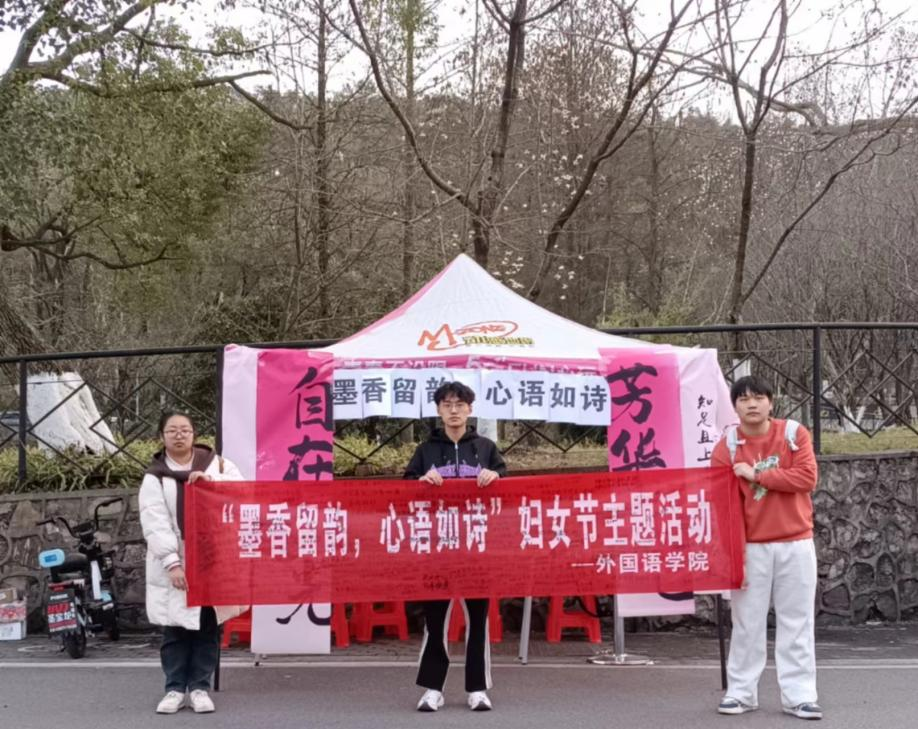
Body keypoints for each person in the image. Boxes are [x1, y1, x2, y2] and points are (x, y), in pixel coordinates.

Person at [711, 376, 822, 721]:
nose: (752, 404)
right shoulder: (727, 447)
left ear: (771, 402)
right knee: (746, 622)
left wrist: (757, 475)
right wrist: (734, 553)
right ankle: (741, 692)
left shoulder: (793, 433)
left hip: (796, 542)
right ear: (735, 406)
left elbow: (807, 478)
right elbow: (723, 506)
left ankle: (800, 696)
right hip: (751, 547)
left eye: (759, 397)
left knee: (797, 621)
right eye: (743, 399)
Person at [404, 381, 507, 713]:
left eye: (459, 404)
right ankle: (433, 688)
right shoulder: (425, 451)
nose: (453, 410)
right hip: (438, 547)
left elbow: (508, 488)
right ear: (438, 410)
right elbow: (404, 490)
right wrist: (420, 482)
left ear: (469, 409)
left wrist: (495, 477)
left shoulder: (486, 448)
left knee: (478, 619)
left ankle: (477, 688)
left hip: (477, 547)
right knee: (436, 620)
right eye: (447, 404)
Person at [139, 412, 246, 715]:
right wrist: (172, 563)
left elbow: (241, 493)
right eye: (172, 430)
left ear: (194, 434)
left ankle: (200, 687)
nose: (179, 435)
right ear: (162, 436)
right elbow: (155, 521)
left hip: (211, 556)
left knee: (207, 625)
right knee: (175, 628)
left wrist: (211, 483)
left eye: (185, 430)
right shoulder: (155, 476)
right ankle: (174, 688)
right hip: (175, 558)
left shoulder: (217, 465)